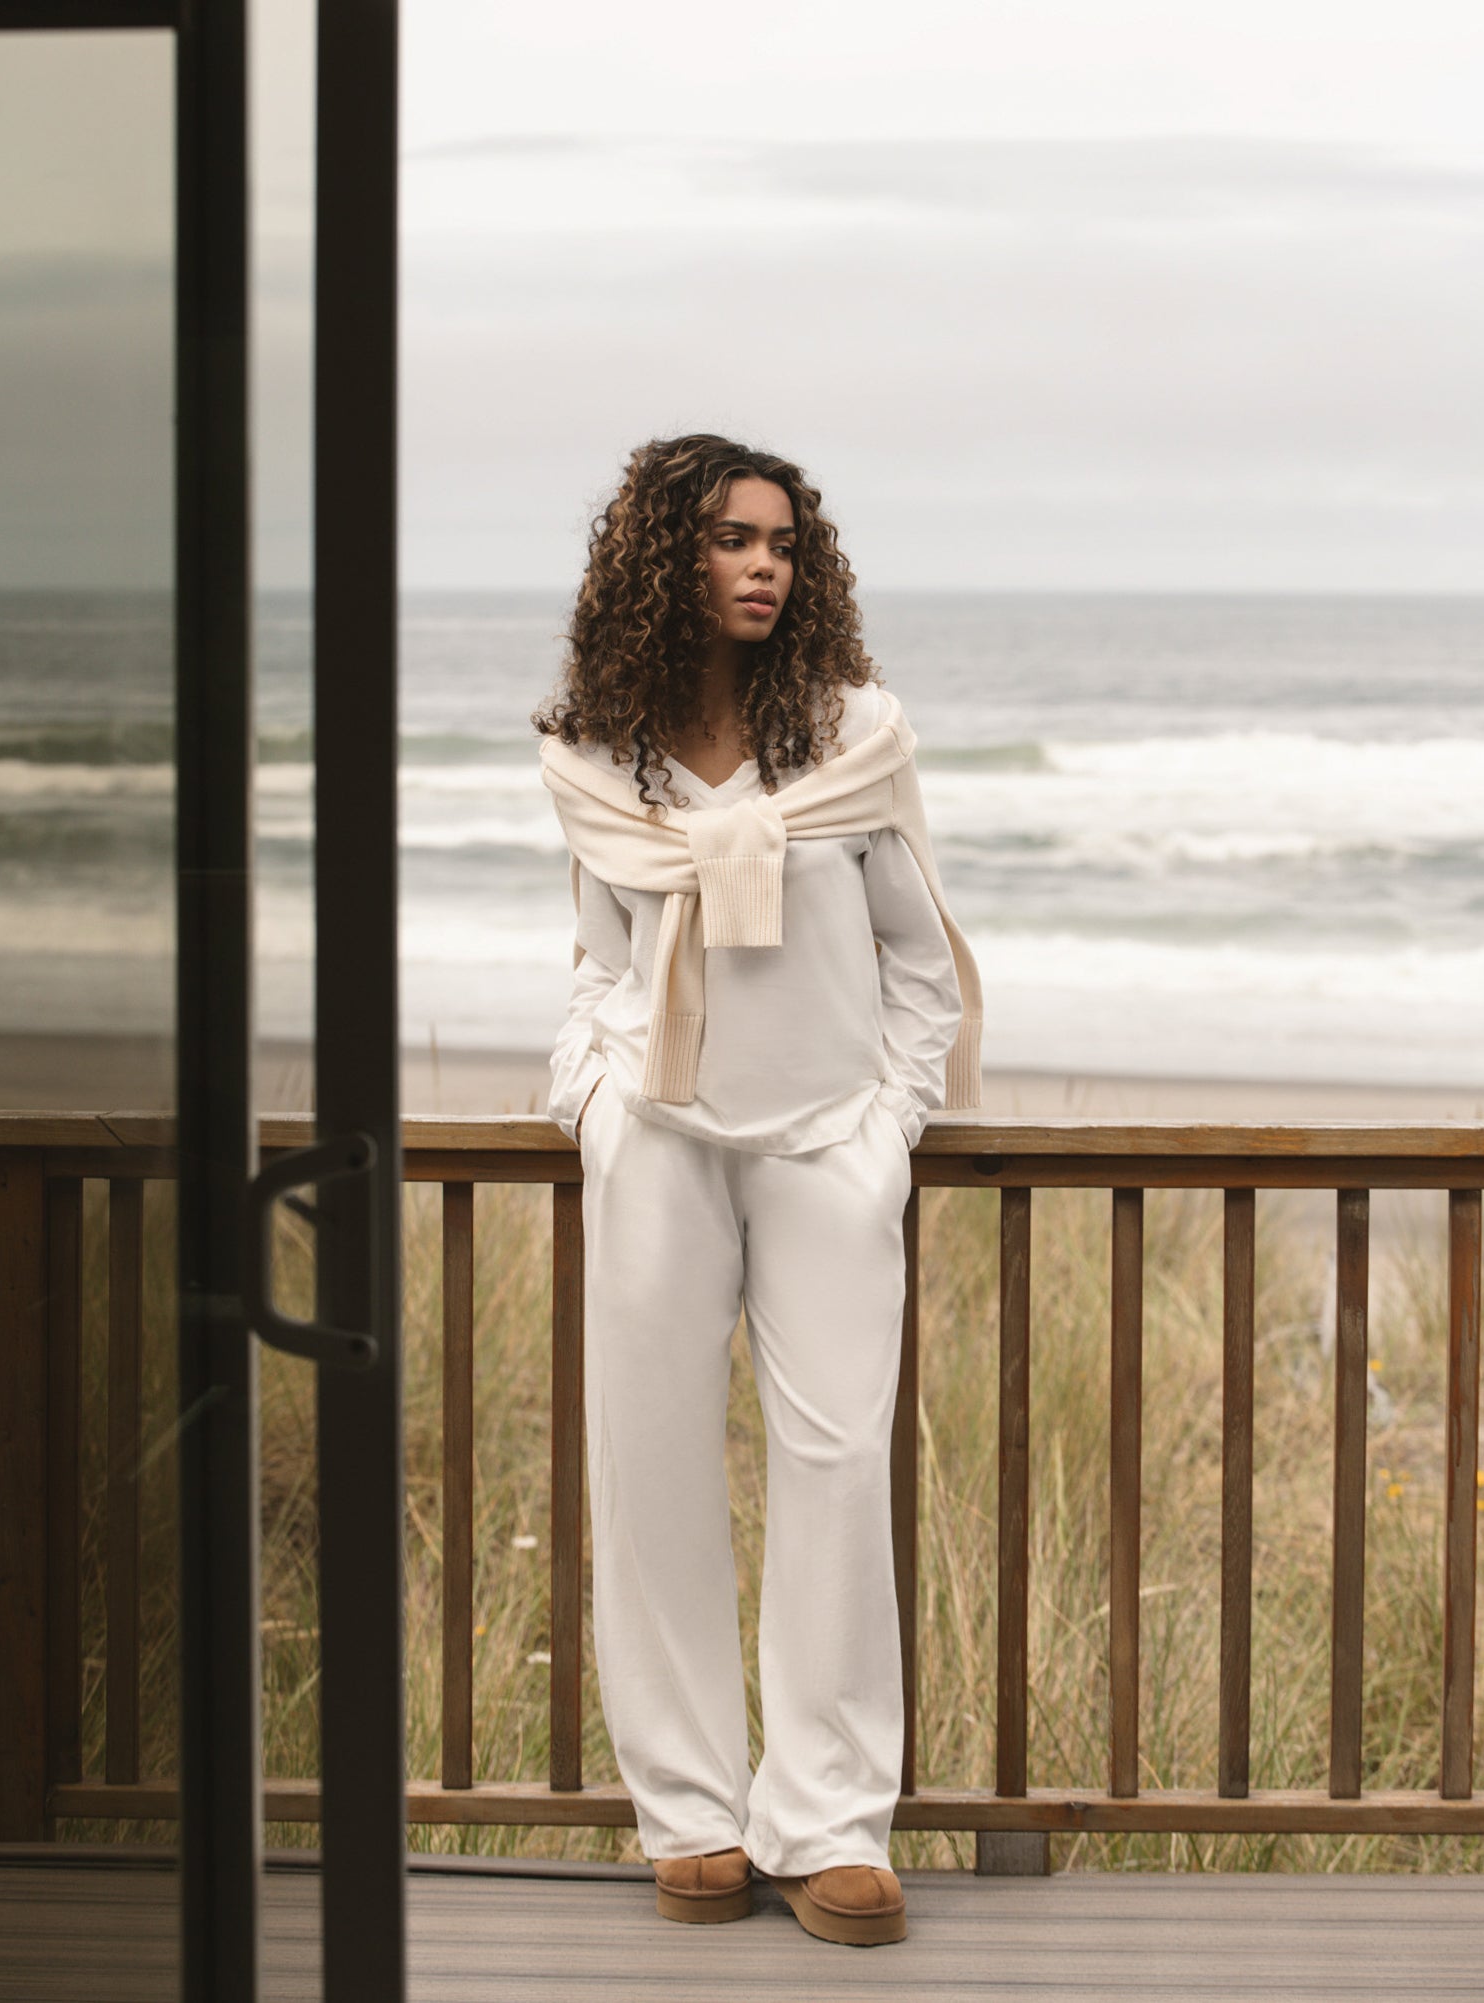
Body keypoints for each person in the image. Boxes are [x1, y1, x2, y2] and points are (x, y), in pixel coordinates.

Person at [530, 433, 985, 1950]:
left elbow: (919, 956)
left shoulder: (854, 733)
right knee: (650, 1467)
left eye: (783, 543)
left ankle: (830, 1821)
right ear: (666, 559)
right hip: (659, 1134)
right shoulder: (599, 752)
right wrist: (593, 1099)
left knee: (838, 1463)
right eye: (732, 539)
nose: (764, 566)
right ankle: (691, 1814)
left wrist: (890, 1121)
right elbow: (600, 956)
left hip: (825, 1142)